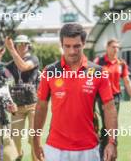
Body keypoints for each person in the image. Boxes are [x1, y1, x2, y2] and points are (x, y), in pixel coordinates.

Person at [33, 23, 118, 161]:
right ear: (61, 45)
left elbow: (109, 108)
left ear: (83, 43)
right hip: (55, 149)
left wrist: (112, 142)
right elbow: (41, 106)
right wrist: (35, 138)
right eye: (67, 46)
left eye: (76, 46)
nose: (72, 51)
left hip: (89, 149)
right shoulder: (49, 71)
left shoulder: (98, 72)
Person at [94, 38, 131, 158]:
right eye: (113, 47)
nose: (116, 49)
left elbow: (127, 81)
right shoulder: (99, 61)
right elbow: (91, 79)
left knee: (111, 125)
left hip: (116, 98)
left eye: (118, 47)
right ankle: (105, 153)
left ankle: (108, 153)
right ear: (107, 48)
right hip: (102, 98)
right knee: (108, 125)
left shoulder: (121, 63)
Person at [2, 35, 40, 161]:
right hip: (17, 105)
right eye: (19, 44)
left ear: (28, 45)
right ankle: (18, 157)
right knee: (15, 138)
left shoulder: (33, 59)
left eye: (24, 43)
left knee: (33, 138)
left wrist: (11, 49)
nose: (22, 46)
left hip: (33, 105)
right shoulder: (12, 64)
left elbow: (24, 66)